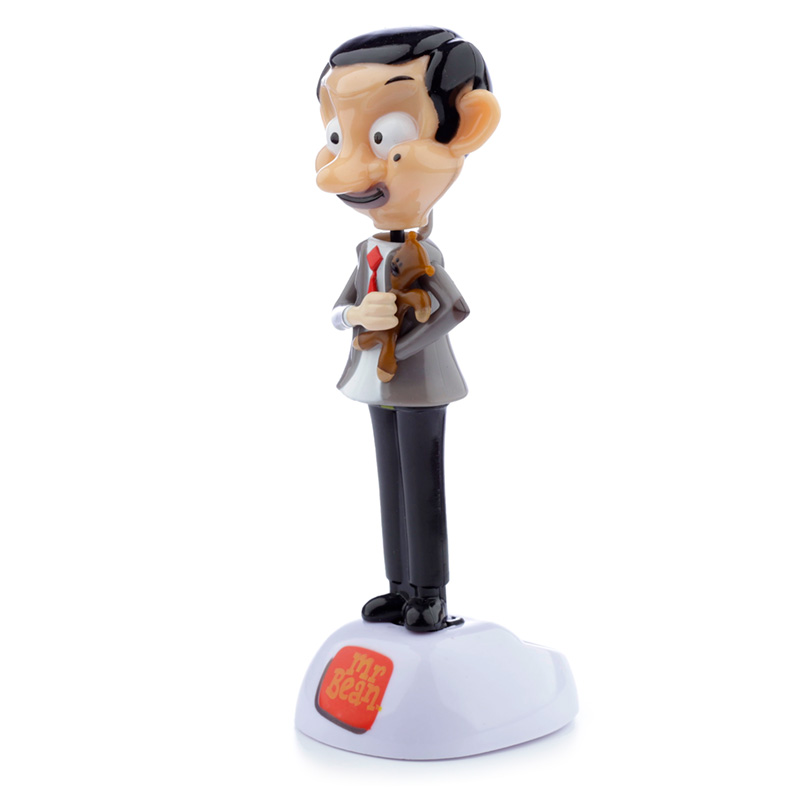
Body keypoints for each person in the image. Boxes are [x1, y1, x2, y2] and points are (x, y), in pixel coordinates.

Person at [316, 27, 500, 632]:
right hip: (374, 380)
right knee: (390, 483)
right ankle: (399, 587)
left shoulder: (423, 257)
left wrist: (398, 338)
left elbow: (453, 310)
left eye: (384, 136)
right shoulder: (367, 252)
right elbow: (340, 308)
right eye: (336, 138)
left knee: (422, 488)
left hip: (418, 382)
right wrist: (357, 319)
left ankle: (430, 592)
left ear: (465, 126)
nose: (344, 167)